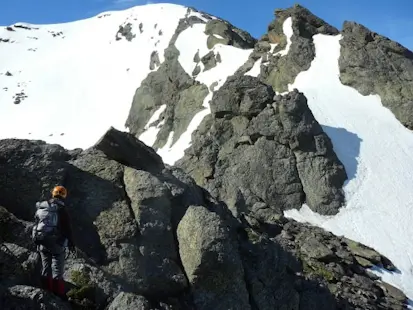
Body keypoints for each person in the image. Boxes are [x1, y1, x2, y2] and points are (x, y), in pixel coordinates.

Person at [32, 185, 75, 300]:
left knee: (46, 267)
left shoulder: (42, 206)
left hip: (41, 240)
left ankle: (46, 291)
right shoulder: (61, 209)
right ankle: (59, 295)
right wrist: (71, 243)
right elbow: (67, 228)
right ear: (64, 195)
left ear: (53, 193)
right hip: (56, 243)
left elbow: (36, 222)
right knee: (57, 268)